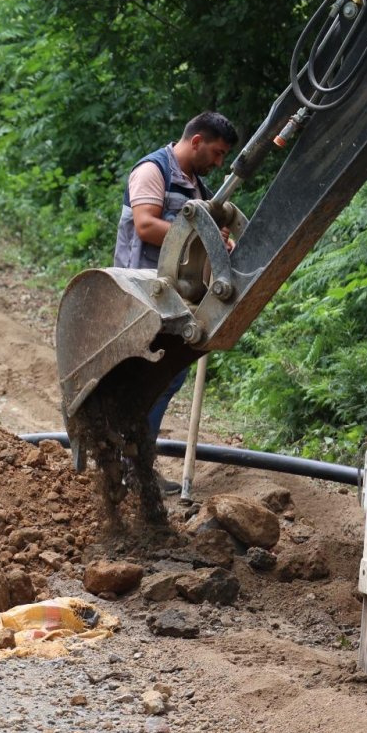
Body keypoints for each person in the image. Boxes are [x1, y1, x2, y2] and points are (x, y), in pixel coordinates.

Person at [113, 111, 238, 493]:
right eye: (217, 153)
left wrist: (219, 242)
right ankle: (129, 467)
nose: (219, 163)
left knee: (167, 379)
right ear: (196, 140)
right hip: (141, 294)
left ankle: (136, 465)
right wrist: (204, 238)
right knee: (144, 382)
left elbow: (196, 238)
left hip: (172, 299)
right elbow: (146, 225)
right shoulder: (153, 171)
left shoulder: (195, 188)